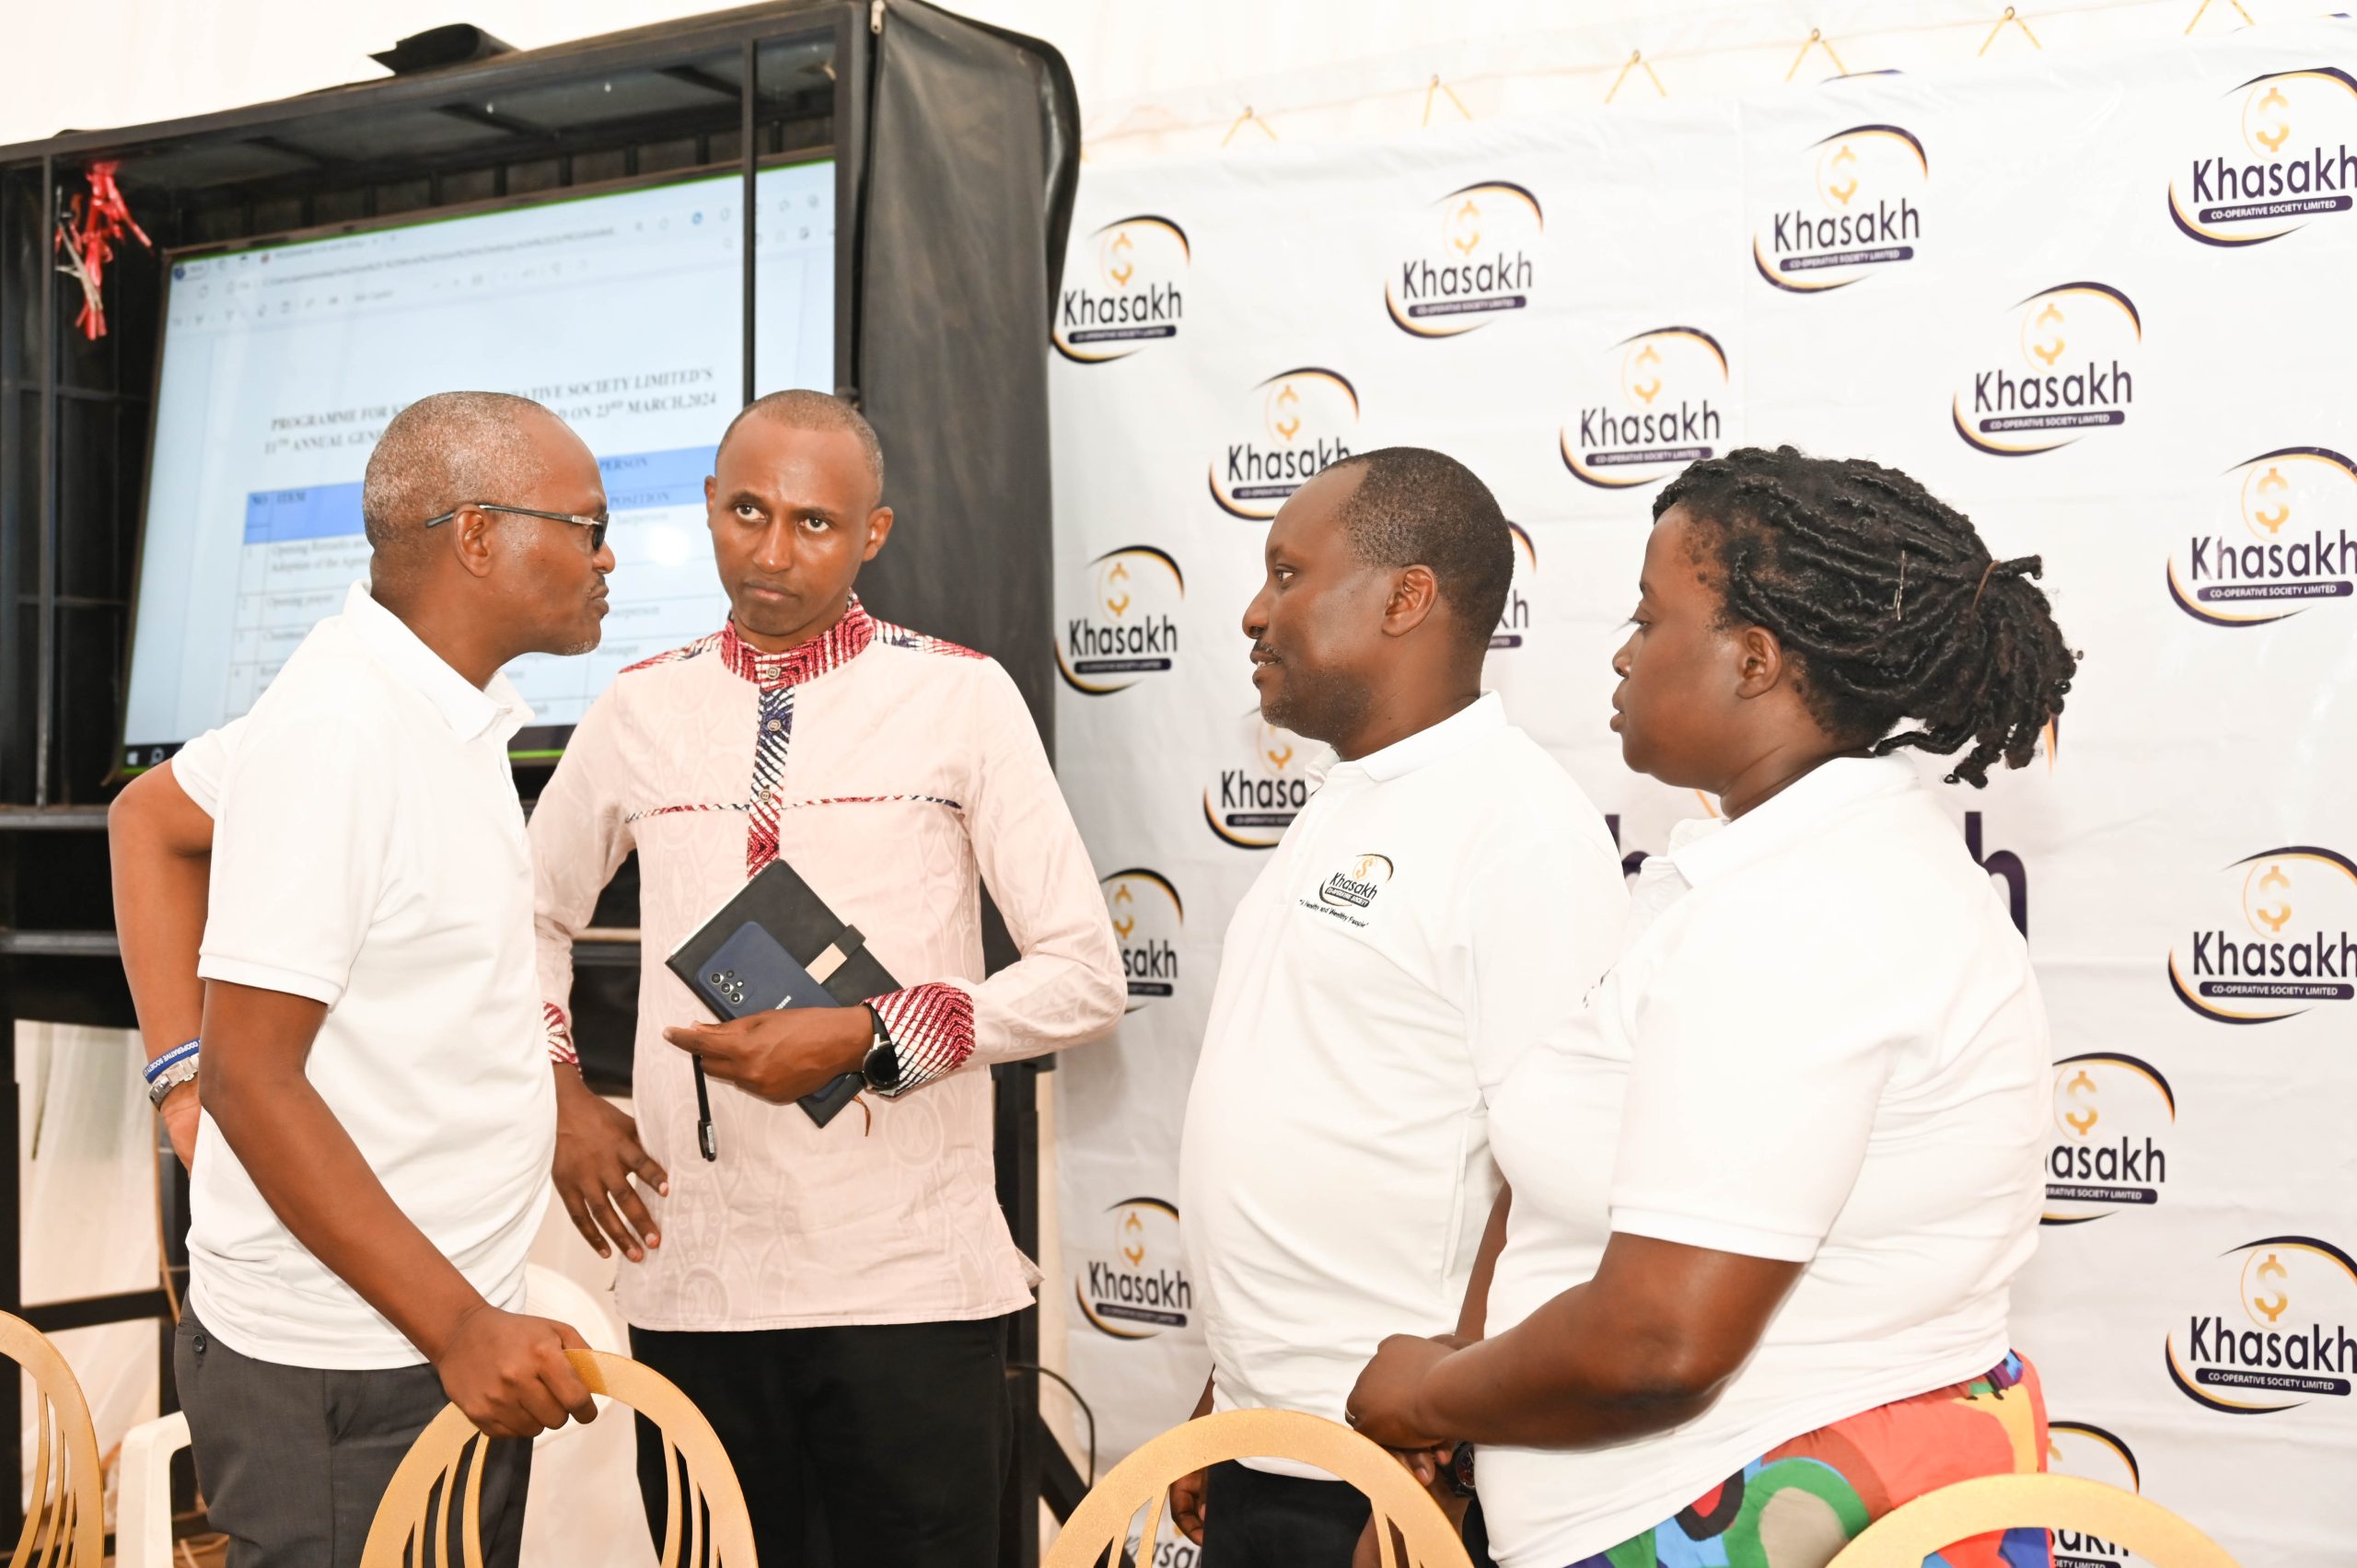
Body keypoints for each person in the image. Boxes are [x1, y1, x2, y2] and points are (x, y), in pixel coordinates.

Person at [1344, 446, 2076, 1568]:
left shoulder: (1808, 909)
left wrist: (1428, 1395)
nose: (1623, 652)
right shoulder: (1792, 873)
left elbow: (1658, 1341)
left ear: (1753, 660)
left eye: (1648, 619)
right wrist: (1471, 1389)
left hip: (1722, 1510)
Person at [530, 389, 1123, 1568]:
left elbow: (1084, 975)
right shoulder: (639, 705)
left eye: (813, 522)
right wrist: (558, 1094)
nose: (771, 551)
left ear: (873, 534)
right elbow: (524, 913)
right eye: (747, 510)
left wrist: (871, 1032)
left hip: (907, 1287)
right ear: (708, 504)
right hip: (695, 1277)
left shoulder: (959, 694)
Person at [108, 390, 618, 1568]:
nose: (607, 559)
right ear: (477, 534)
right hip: (352, 1364)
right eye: (587, 527)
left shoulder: (427, 704)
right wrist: (188, 1083)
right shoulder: (340, 733)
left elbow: (148, 817)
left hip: (426, 1334)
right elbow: (255, 1079)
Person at [1170, 447, 1630, 1568]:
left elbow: (1553, 1177)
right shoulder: (1348, 797)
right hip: (1267, 1435)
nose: (1254, 611)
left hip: (1396, 1468)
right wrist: (1222, 1396)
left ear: (1404, 596)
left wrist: (1450, 1457)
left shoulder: (1518, 829)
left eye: (1287, 573)